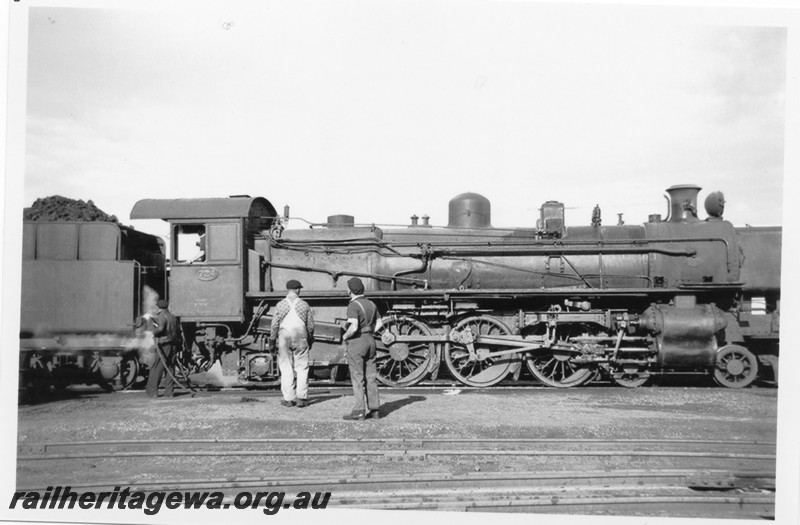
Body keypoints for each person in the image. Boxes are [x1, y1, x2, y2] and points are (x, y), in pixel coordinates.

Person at [269, 279, 315, 408]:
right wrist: (310, 339)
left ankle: (289, 399)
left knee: (286, 366)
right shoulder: (304, 305)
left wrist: (272, 340)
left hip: (284, 336)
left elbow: (274, 324)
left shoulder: (280, 305)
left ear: (288, 290)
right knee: (302, 367)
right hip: (301, 336)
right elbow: (310, 325)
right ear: (298, 290)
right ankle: (301, 398)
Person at [341, 277, 382, 421]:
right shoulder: (371, 303)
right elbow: (379, 323)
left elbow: (353, 326)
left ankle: (359, 411)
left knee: (357, 378)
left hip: (358, 342)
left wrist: (345, 336)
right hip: (371, 340)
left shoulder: (353, 305)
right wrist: (370, 332)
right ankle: (375, 410)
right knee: (371, 377)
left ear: (350, 290)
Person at [146, 299, 180, 398]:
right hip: (173, 344)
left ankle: (154, 392)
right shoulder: (173, 317)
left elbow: (160, 329)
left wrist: (154, 331)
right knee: (170, 367)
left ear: (159, 308)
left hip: (164, 345)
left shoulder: (161, 316)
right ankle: (169, 392)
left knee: (157, 368)